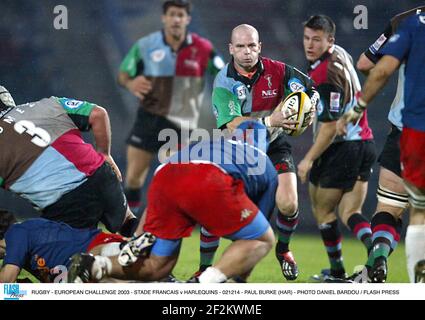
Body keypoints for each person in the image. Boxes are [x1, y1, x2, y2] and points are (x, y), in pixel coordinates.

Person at [67, 121, 278, 283]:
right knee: (262, 239)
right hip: (209, 180)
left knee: (158, 267)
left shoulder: (215, 142)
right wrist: (238, 279)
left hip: (165, 176)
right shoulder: (264, 163)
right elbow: (253, 237)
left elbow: (175, 171)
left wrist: (145, 230)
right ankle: (203, 284)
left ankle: (94, 265)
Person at [191, 24, 319, 282]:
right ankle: (205, 266)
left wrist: (310, 107)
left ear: (259, 47)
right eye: (240, 46)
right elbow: (233, 125)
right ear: (231, 49)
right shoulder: (223, 81)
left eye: (252, 46)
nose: (247, 52)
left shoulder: (279, 71)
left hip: (273, 145)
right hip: (238, 149)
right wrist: (273, 120)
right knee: (213, 205)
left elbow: (311, 89)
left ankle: (283, 250)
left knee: (289, 201)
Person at [337, 10, 425, 283]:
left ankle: (378, 260)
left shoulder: (411, 22)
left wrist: (360, 105)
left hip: (410, 132)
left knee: (390, 207)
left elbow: (369, 64)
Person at [118, 0, 224, 213]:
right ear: (164, 18)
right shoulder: (146, 46)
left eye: (181, 15)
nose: (176, 19)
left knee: (175, 178)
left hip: (181, 125)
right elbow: (123, 74)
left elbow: (223, 74)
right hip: (149, 118)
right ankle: (127, 230)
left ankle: (166, 230)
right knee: (133, 178)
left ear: (188, 19)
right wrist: (131, 82)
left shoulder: (203, 48)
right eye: (172, 14)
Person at [297, 15, 376, 281]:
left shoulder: (325, 74)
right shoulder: (340, 54)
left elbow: (330, 128)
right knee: (351, 212)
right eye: (307, 38)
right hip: (365, 141)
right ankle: (377, 257)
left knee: (323, 209)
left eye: (316, 40)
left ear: (330, 41)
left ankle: (339, 271)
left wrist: (308, 159)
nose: (309, 45)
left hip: (344, 147)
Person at [0, 86, 137, 236]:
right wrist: (104, 154)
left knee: (60, 253)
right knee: (129, 225)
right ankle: (154, 241)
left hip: (65, 202)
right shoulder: (48, 104)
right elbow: (98, 113)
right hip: (100, 174)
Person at [0, 209, 125, 283]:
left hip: (101, 251)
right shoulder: (22, 250)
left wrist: (19, 292)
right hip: (91, 267)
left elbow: (5, 284)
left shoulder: (16, 231)